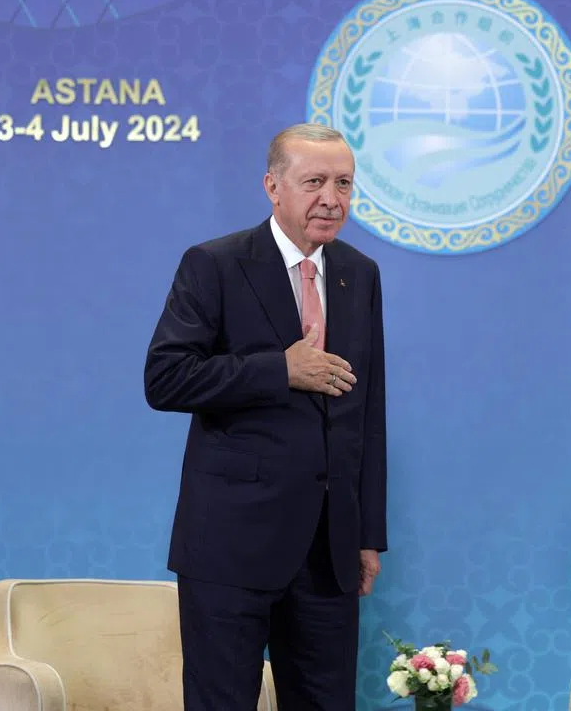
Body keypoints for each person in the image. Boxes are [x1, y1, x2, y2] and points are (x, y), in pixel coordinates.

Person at [144, 123, 387, 710]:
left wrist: (366, 534)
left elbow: (369, 410)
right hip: (232, 544)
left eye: (344, 183)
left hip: (328, 549)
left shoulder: (361, 273)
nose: (332, 197)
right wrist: (277, 371)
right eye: (314, 182)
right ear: (273, 187)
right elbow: (166, 377)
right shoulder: (215, 264)